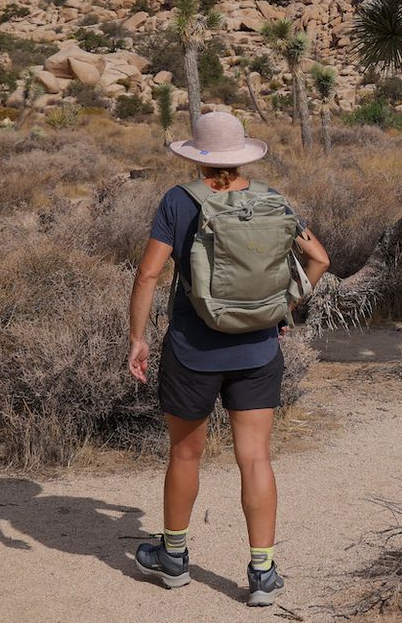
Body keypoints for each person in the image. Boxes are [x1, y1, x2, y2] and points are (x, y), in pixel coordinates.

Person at [125, 111, 330, 607]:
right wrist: (281, 311)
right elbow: (319, 260)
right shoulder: (273, 201)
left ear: (196, 156)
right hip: (259, 350)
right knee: (255, 458)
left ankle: (173, 559)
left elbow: (149, 275)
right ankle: (262, 572)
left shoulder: (179, 201)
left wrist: (137, 338)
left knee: (186, 454)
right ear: (243, 157)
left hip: (193, 352)